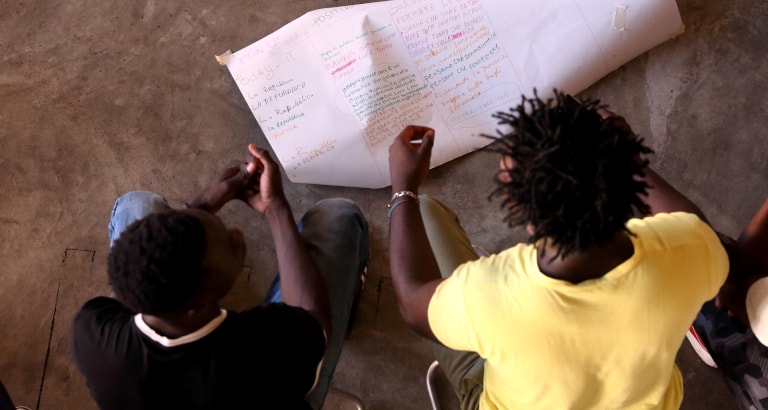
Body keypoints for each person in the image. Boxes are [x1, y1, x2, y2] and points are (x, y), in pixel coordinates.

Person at [386, 90, 729, 409]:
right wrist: (627, 158)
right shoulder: (684, 249)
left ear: (520, 213)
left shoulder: (487, 295)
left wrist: (403, 189)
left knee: (425, 209)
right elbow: (694, 224)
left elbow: (413, 303)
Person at [71, 144, 369, 410]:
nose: (237, 234)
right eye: (228, 241)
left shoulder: (92, 333)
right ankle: (349, 299)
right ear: (199, 305)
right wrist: (276, 209)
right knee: (338, 217)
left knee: (136, 206)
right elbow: (312, 318)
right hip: (273, 387)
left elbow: (134, 282)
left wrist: (197, 208)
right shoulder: (260, 352)